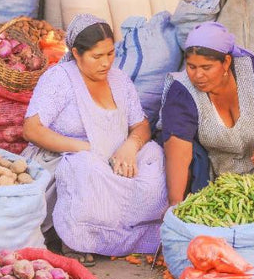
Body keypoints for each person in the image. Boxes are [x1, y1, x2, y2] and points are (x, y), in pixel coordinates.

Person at [22, 14, 167, 264]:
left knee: (155, 154)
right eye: (96, 56)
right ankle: (78, 238)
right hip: (70, 157)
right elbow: (32, 129)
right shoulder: (59, 79)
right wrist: (84, 147)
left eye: (110, 54)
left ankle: (132, 235)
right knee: (84, 165)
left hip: (117, 158)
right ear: (76, 53)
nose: (106, 63)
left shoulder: (119, 80)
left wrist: (130, 147)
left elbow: (141, 125)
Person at [160, 22, 254, 207]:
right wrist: (175, 206)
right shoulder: (182, 92)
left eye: (206, 68)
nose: (198, 75)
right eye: (191, 67)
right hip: (215, 182)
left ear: (226, 62)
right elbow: (178, 155)